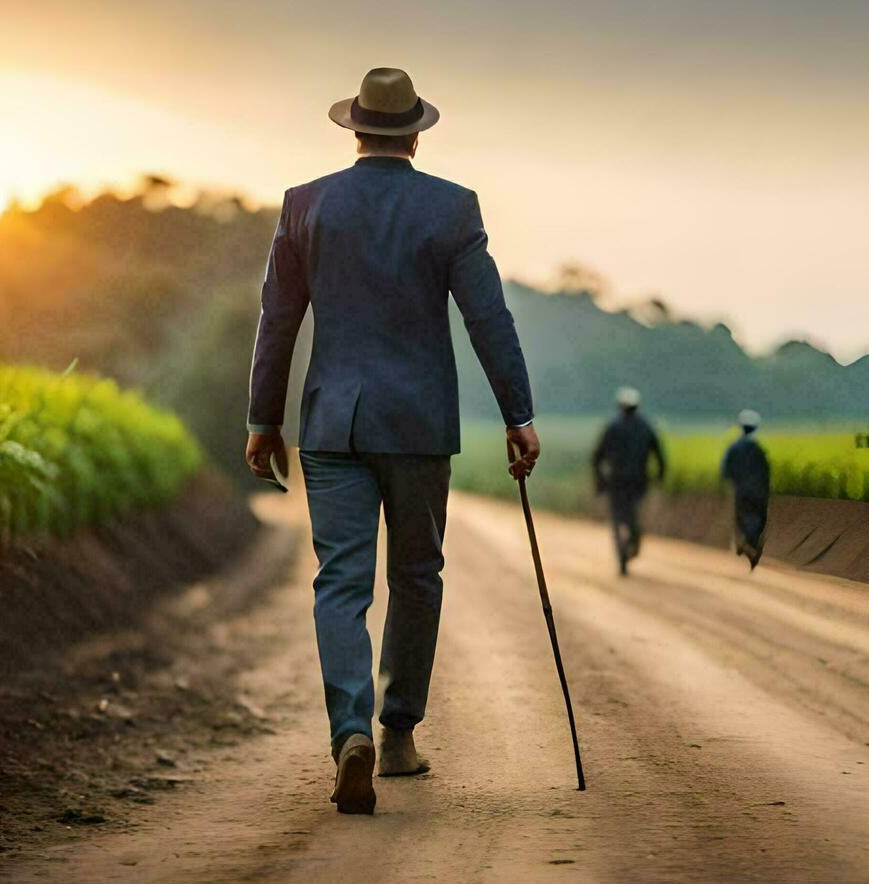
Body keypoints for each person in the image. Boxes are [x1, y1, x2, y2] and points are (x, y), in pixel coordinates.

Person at [245, 67, 539, 815]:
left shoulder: (306, 206)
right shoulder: (451, 208)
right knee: (416, 577)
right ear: (415, 132)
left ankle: (350, 733)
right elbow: (488, 320)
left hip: (332, 424)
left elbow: (277, 319)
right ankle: (399, 732)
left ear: (354, 130)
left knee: (340, 583)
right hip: (417, 425)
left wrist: (262, 421)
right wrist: (519, 414)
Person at [591, 387, 665, 575]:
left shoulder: (613, 426)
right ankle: (632, 544)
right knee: (635, 516)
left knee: (618, 517)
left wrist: (599, 480)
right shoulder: (646, 427)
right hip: (639, 482)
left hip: (617, 482)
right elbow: (659, 455)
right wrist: (659, 476)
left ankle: (622, 553)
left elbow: (597, 456)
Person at [721, 409, 770, 570]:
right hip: (759, 491)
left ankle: (745, 544)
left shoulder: (734, 448)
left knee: (742, 518)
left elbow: (725, 471)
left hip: (741, 491)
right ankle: (751, 544)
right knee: (758, 519)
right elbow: (766, 472)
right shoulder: (759, 448)